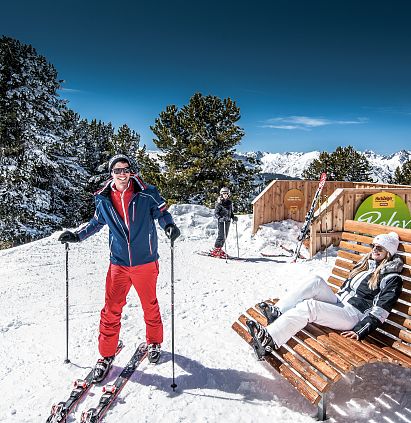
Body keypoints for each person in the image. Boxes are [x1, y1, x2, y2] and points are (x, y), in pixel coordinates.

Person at [58, 154, 180, 381]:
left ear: (131, 171)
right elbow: (96, 222)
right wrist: (77, 236)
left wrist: (169, 226)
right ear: (111, 173)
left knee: (150, 305)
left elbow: (162, 214)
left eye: (125, 169)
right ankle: (105, 355)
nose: (122, 174)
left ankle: (154, 342)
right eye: (117, 170)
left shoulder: (146, 193)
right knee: (111, 310)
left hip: (146, 262)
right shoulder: (104, 199)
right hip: (119, 265)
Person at [246, 231, 403, 359]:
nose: (374, 250)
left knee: (309, 307)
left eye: (380, 248)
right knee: (316, 281)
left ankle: (270, 339)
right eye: (373, 246)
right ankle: (278, 313)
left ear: (388, 253)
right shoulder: (365, 265)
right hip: (340, 303)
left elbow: (381, 311)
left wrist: (360, 330)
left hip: (353, 315)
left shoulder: (391, 278)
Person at [211, 187, 238, 257]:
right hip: (221, 222)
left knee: (225, 236)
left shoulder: (229, 203)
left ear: (228, 194)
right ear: (221, 194)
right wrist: (220, 218)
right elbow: (216, 213)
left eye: (226, 193)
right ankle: (216, 250)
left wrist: (233, 217)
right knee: (221, 236)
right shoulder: (219, 203)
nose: (225, 195)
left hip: (228, 221)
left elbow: (231, 213)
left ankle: (219, 249)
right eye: (224, 194)